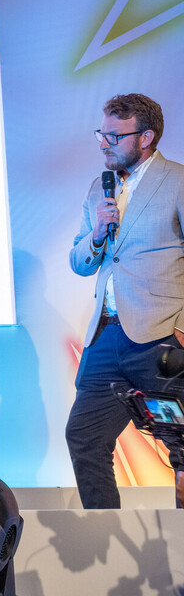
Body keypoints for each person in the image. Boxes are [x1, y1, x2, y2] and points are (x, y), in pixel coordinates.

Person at [68, 93, 184, 509]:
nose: (104, 143)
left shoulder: (177, 181)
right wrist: (97, 233)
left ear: (146, 137)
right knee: (84, 435)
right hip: (106, 337)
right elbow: (79, 262)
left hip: (160, 338)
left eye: (115, 136)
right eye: (102, 134)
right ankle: (104, 531)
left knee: (181, 445)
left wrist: (181, 328)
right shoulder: (99, 188)